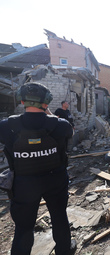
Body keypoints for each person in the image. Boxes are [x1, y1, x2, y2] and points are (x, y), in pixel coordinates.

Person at [0, 82, 76, 254]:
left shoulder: (6, 126)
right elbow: (69, 131)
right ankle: (64, 250)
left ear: (21, 101)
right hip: (55, 180)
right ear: (46, 102)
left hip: (23, 184)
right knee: (59, 218)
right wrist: (48, 113)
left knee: (24, 226)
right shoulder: (61, 125)